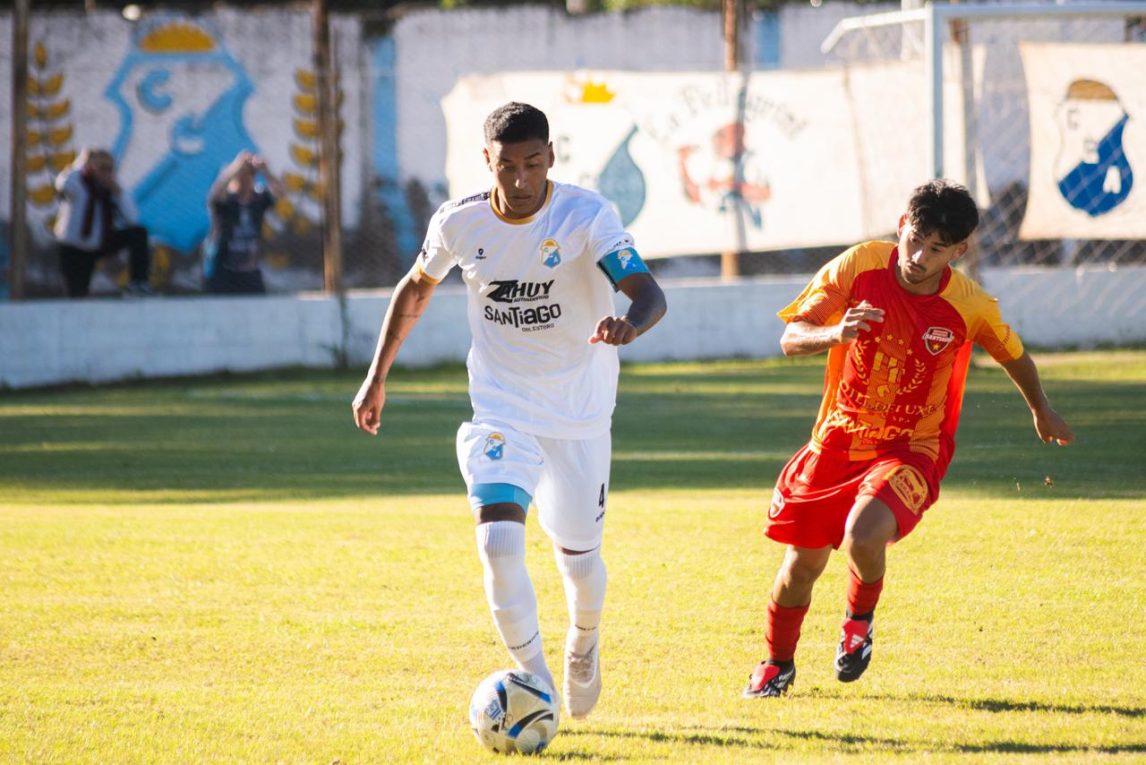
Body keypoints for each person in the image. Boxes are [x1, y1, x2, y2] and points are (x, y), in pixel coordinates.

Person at [352, 102, 667, 720]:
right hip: (502, 407)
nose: (520, 179)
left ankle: (584, 640)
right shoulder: (459, 222)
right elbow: (416, 287)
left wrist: (629, 324)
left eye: (532, 163)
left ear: (550, 157)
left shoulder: (585, 217)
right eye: (506, 166)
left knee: (581, 562)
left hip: (578, 411)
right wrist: (376, 376)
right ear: (486, 161)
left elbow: (648, 292)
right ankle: (537, 686)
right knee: (498, 542)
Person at [743, 179, 1074, 698]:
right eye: (914, 239)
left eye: (936, 249)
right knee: (800, 568)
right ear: (902, 224)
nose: (918, 256)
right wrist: (835, 333)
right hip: (837, 441)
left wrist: (1041, 408)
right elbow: (791, 336)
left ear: (958, 251)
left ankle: (858, 622)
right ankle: (776, 665)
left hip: (911, 449)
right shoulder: (859, 266)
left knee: (863, 533)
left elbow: (1014, 355)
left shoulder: (968, 305)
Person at [53, 148, 153, 297]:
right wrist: (81, 164)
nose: (106, 173)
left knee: (139, 233)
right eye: (102, 168)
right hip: (73, 247)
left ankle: (138, 283)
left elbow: (132, 218)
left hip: (98, 242)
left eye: (110, 169)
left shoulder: (111, 189)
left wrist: (117, 192)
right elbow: (63, 184)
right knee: (77, 293)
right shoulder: (78, 181)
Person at [203, 151, 285, 294]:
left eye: (247, 176)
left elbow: (280, 193)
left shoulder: (258, 200)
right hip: (224, 271)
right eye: (239, 177)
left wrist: (266, 171)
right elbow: (214, 196)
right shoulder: (227, 202)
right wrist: (236, 167)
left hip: (250, 271)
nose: (243, 180)